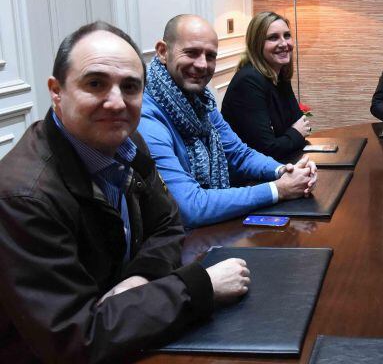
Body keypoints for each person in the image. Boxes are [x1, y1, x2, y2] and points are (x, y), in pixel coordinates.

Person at [0, 22, 251, 363]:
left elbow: (168, 224)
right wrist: (200, 287)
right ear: (57, 91)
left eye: (130, 87)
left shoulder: (126, 141)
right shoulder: (22, 197)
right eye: (95, 83)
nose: (116, 102)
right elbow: (75, 340)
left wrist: (140, 276)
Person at [138, 14, 317, 228]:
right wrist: (279, 189)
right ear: (162, 52)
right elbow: (190, 208)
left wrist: (285, 171)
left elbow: (239, 154)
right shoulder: (145, 115)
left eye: (210, 56)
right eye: (192, 53)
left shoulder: (201, 101)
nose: (202, 64)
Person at [222, 11, 309, 162]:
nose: (284, 44)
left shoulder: (279, 75)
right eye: (273, 38)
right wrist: (295, 134)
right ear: (257, 44)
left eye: (287, 36)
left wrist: (291, 135)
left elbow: (301, 124)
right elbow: (266, 150)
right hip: (248, 177)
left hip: (280, 165)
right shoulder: (248, 81)